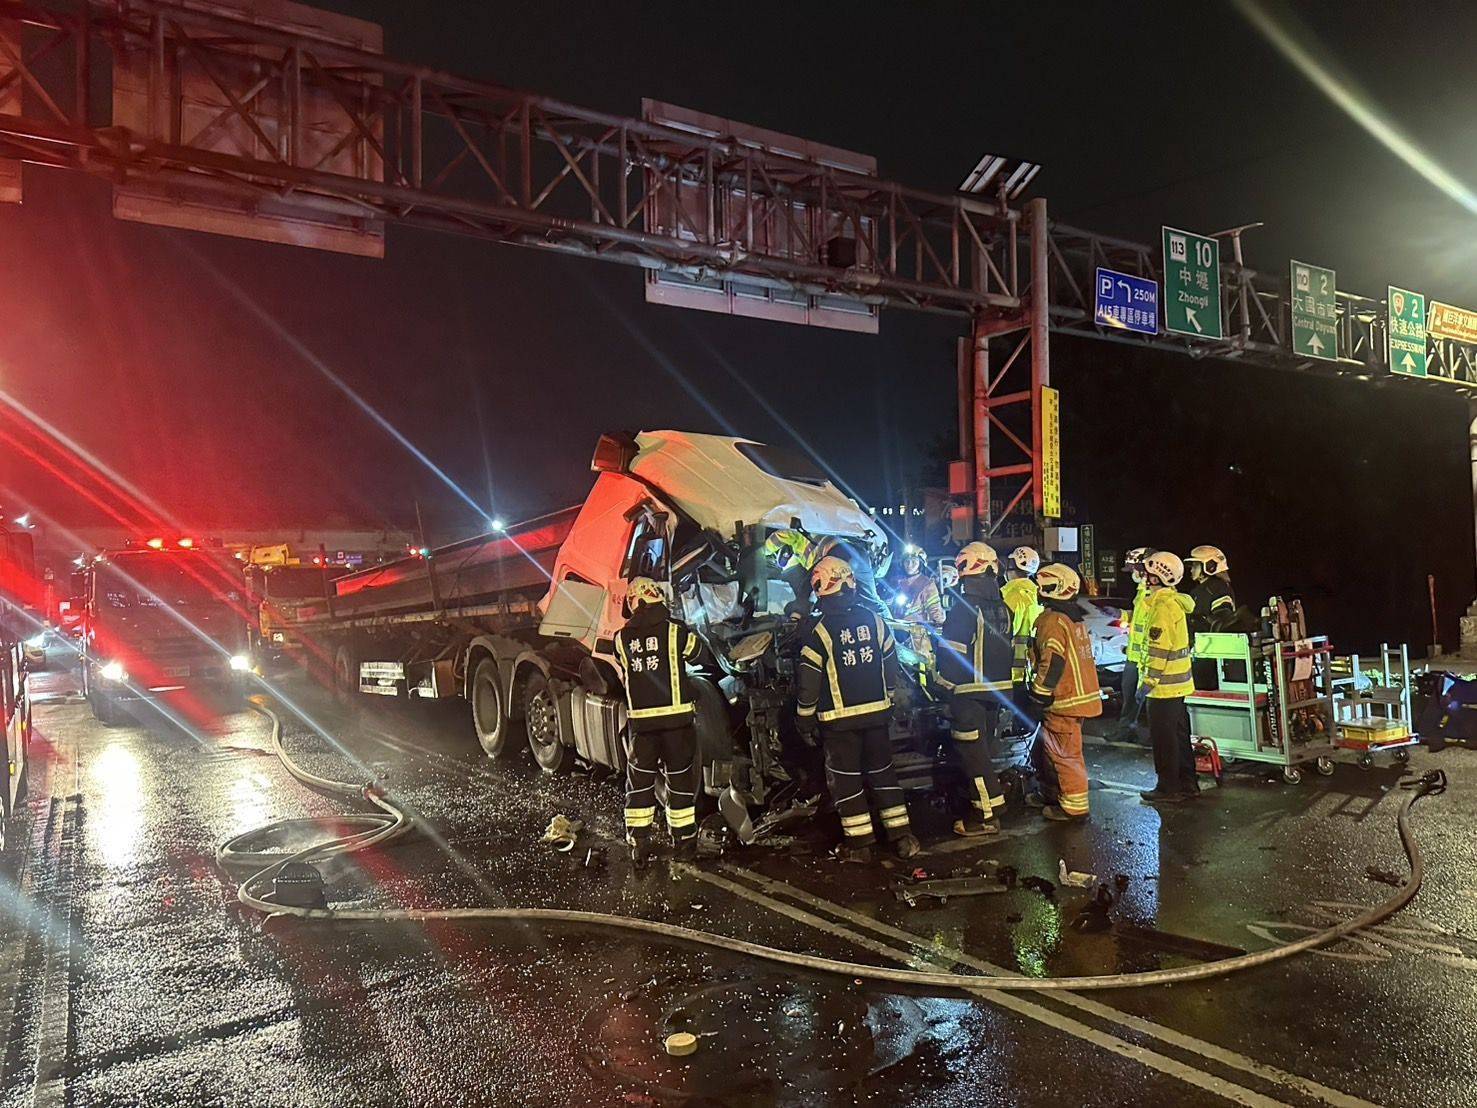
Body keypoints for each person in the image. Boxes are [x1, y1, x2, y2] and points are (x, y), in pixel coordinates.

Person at [795, 557, 921, 862]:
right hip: (877, 716)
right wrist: (888, 698)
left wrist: (804, 720)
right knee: (883, 775)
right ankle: (902, 837)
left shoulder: (820, 632)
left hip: (839, 724)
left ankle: (860, 844)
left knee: (846, 781)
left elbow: (809, 683)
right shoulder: (874, 620)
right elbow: (891, 663)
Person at [613, 577, 702, 865]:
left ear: (632, 603)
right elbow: (698, 653)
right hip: (677, 725)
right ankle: (684, 843)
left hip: (642, 728)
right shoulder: (676, 631)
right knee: (679, 781)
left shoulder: (621, 639)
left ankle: (639, 845)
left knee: (639, 785)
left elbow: (624, 664)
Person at [937, 541, 1013, 837]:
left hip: (968, 696)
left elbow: (951, 657)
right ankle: (985, 806)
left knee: (973, 757)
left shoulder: (963, 609)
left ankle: (987, 815)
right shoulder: (1004, 608)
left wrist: (942, 688)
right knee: (984, 752)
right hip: (996, 694)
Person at [1025, 564, 1102, 822]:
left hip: (1063, 700)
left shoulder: (1051, 621)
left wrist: (1038, 695)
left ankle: (1074, 808)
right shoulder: (1072, 618)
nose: (1038, 590)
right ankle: (1052, 794)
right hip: (1076, 698)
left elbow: (1053, 662)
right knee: (1051, 751)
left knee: (1065, 755)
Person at [1136, 552, 1199, 804]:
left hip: (1162, 688)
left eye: (1147, 573)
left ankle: (1167, 787)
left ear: (1156, 578)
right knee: (1179, 737)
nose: (1144, 577)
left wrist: (1146, 684)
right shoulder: (1174, 603)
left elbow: (1158, 652)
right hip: (1178, 686)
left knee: (1164, 741)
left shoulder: (1161, 608)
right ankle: (1188, 783)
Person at [763, 528, 889, 617]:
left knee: (816, 593)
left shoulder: (795, 531)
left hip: (838, 552)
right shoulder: (798, 556)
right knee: (869, 599)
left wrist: (761, 551)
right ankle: (889, 628)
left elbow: (776, 539)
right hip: (855, 553)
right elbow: (790, 574)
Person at [1108, 547, 1154, 742]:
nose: (1131, 574)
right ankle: (1127, 731)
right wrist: (1119, 614)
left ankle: (1154, 738)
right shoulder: (1142, 591)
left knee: (1150, 701)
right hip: (1135, 657)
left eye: (1133, 569)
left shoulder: (1155, 593)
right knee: (1130, 696)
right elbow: (1138, 618)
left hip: (1148, 658)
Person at [1002, 545, 1044, 693]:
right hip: (1028, 670)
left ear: (1012, 565)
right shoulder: (1035, 594)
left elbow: (1005, 629)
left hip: (1011, 672)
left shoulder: (1015, 595)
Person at [1185, 545, 1237, 633]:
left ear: (1210, 566)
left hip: (1209, 639)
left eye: (1195, 566)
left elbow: (1222, 619)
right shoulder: (1200, 589)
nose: (1191, 570)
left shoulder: (1217, 587)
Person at [891, 546, 945, 625]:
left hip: (915, 629)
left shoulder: (927, 584)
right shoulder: (896, 582)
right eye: (907, 561)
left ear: (920, 564)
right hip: (894, 625)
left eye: (914, 561)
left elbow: (934, 609)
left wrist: (939, 624)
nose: (909, 565)